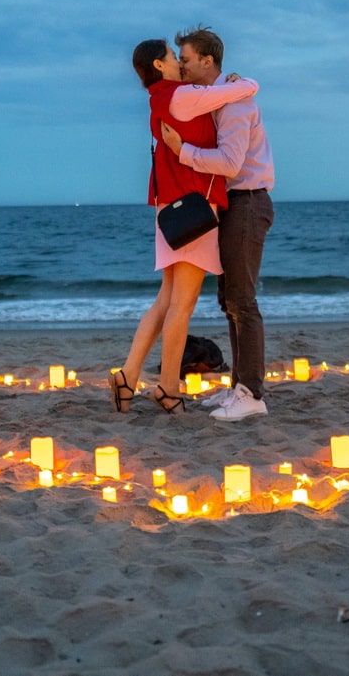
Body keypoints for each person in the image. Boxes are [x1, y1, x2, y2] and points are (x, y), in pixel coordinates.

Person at [111, 39, 260, 415]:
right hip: (193, 211)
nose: (179, 62)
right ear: (159, 66)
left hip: (171, 210)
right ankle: (168, 388)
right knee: (182, 305)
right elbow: (246, 89)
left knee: (165, 301)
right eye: (173, 57)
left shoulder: (161, 97)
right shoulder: (182, 94)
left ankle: (128, 376)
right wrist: (243, 80)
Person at [158, 25, 275, 422]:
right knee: (229, 302)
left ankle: (251, 393)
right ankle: (238, 388)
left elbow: (230, 164)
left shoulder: (236, 104)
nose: (183, 68)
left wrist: (182, 150)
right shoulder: (220, 98)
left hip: (247, 202)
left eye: (186, 60)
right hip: (232, 206)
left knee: (242, 301)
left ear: (208, 61)